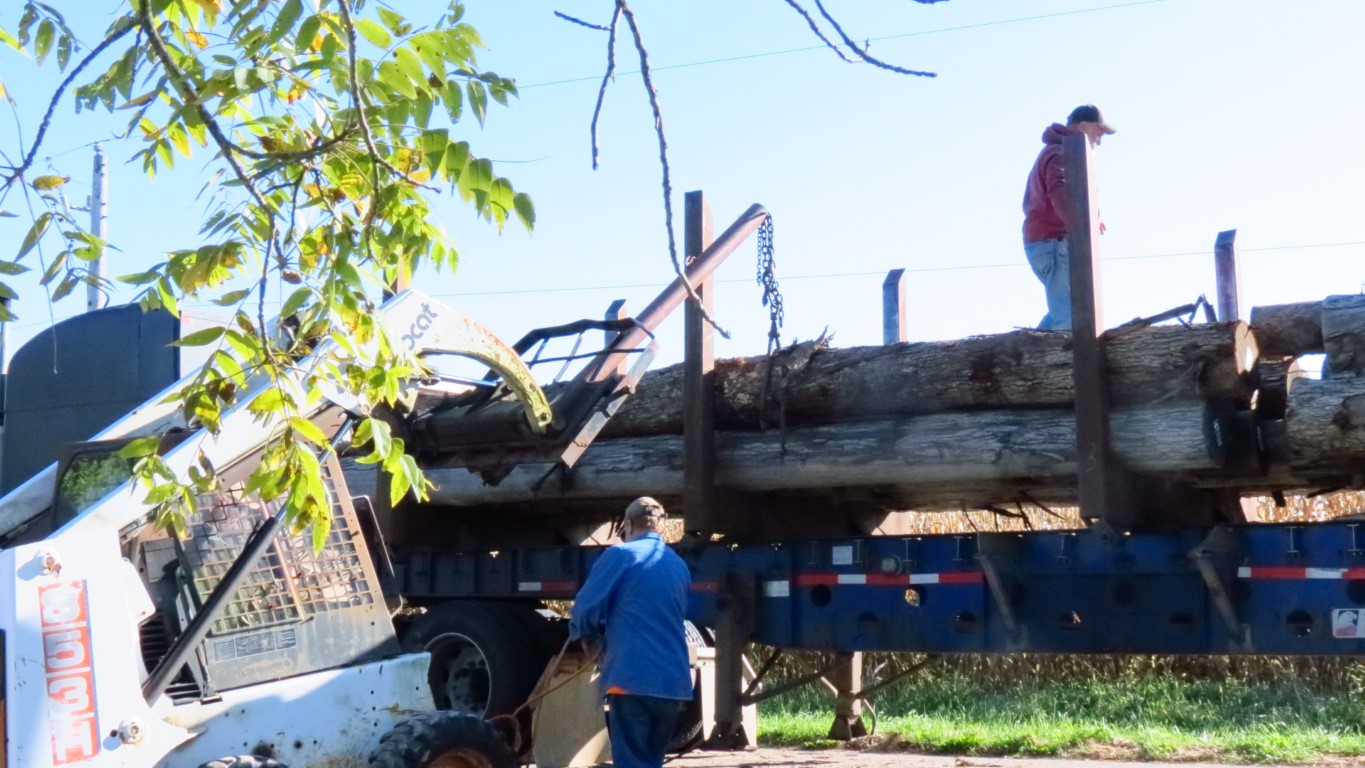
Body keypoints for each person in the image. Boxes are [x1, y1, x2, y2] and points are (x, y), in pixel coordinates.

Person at [569, 496, 693, 768]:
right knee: (651, 761)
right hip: (673, 685)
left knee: (632, 762)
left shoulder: (620, 555)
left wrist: (589, 639)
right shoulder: (679, 565)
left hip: (631, 680)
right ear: (660, 527)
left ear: (627, 525)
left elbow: (584, 609)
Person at [1021, 104, 1116, 330]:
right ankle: (1043, 362)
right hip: (1054, 243)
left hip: (1048, 241)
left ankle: (1028, 352)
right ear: (1083, 127)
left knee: (1067, 309)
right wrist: (1082, 226)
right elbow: (1059, 191)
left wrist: (1092, 218)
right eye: (1098, 132)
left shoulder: (1061, 150)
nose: (1099, 141)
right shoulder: (1062, 151)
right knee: (1069, 317)